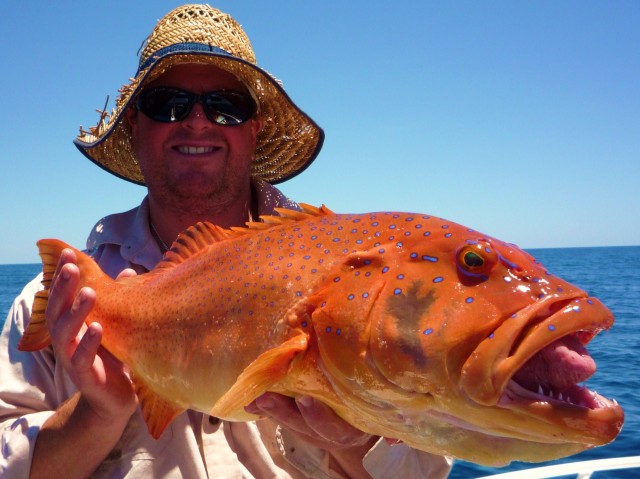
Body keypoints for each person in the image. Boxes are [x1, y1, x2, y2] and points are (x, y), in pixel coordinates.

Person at [0, 5, 452, 478]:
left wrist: (350, 440)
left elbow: (426, 468)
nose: (197, 122)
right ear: (134, 125)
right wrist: (96, 415)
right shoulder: (66, 301)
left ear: (254, 130)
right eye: (167, 103)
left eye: (226, 106)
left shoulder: (348, 285)